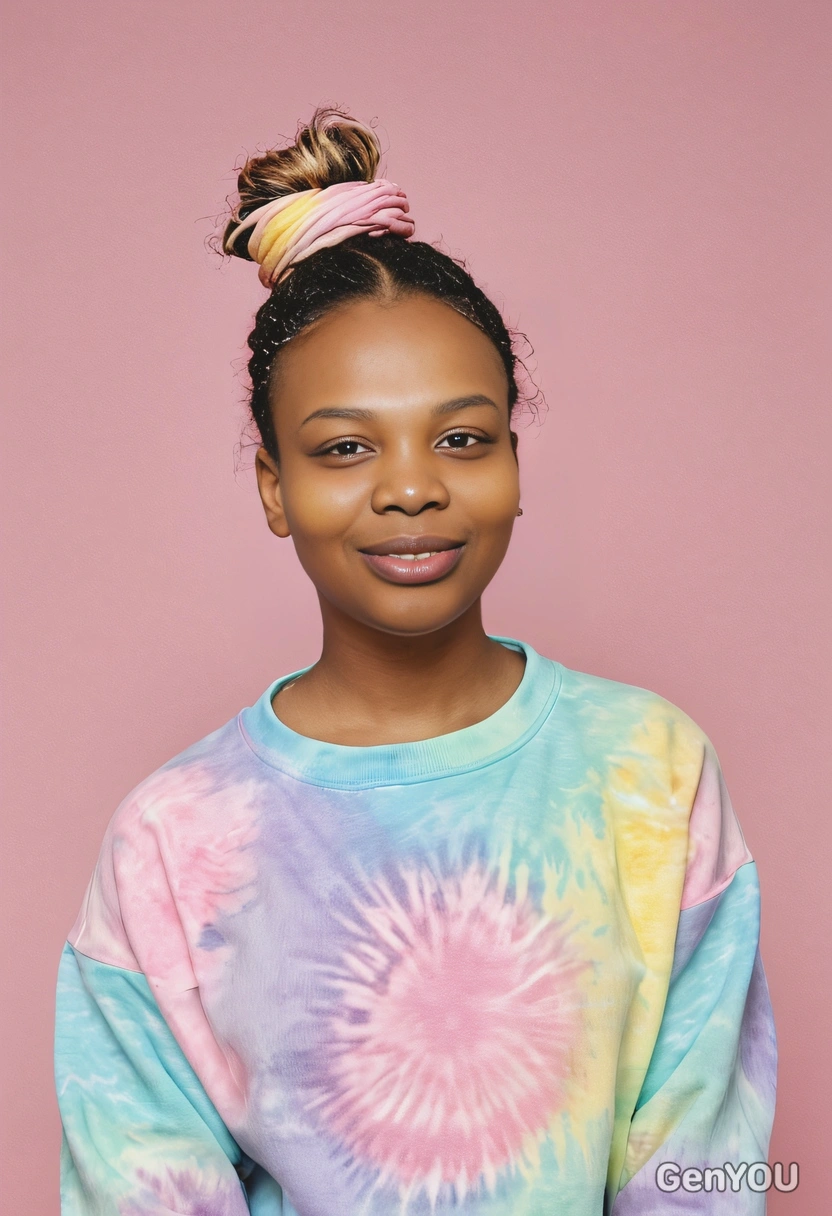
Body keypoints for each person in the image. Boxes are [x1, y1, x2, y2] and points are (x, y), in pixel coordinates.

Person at [54, 108, 776, 1215]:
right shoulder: (174, 838)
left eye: (461, 437)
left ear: (514, 464)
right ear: (272, 487)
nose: (410, 487)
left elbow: (704, 1170)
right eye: (345, 447)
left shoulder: (651, 771)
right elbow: (140, 1182)